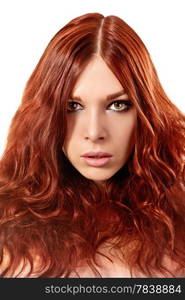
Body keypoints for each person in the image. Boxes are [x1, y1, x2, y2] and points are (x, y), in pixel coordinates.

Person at [0, 12, 185, 278]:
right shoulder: (7, 219)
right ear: (45, 115)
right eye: (73, 106)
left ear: (145, 112)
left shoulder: (177, 216)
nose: (95, 132)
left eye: (117, 105)